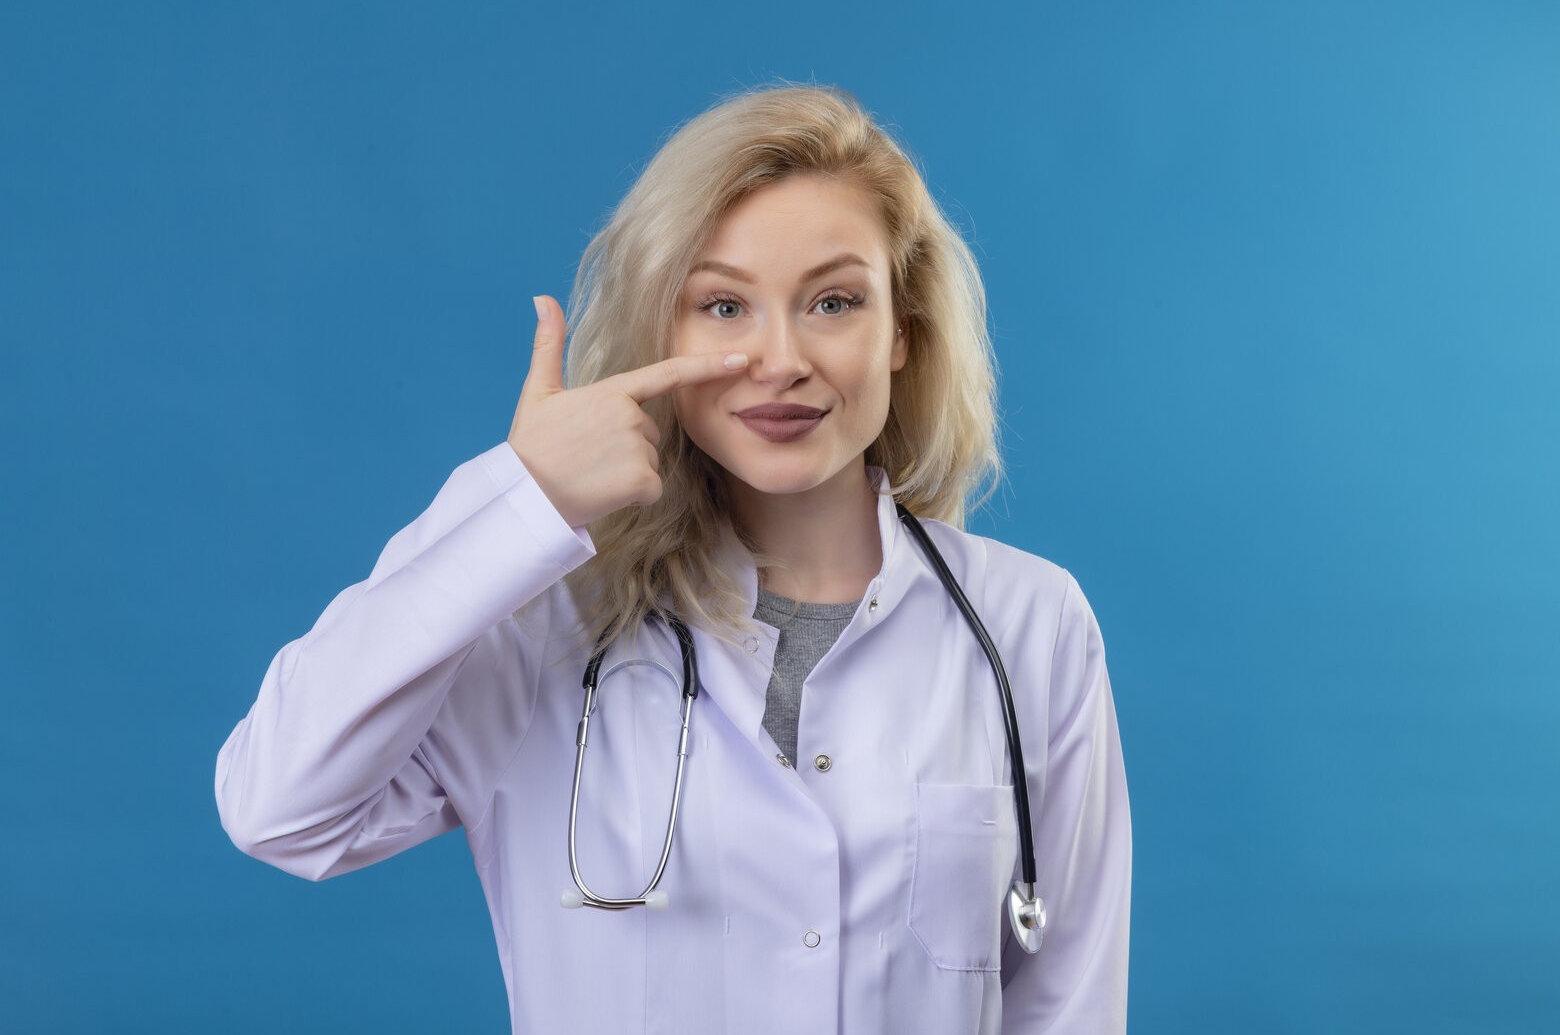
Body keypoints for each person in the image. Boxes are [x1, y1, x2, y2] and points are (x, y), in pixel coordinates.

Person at [215, 83, 1131, 1034]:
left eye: (833, 301)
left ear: (902, 332)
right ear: (662, 327)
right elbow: (278, 809)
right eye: (724, 305)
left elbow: (1068, 999)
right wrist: (522, 500)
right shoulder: (544, 619)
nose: (780, 360)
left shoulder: (1029, 624)